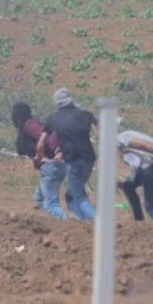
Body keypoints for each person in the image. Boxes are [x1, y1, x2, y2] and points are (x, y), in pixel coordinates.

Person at [36, 88, 98, 220]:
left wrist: (38, 157)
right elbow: (99, 133)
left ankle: (97, 221)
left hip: (73, 161)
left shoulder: (53, 118)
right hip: (89, 159)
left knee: (78, 195)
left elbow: (41, 143)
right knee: (73, 192)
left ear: (57, 102)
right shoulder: (85, 114)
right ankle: (82, 220)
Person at [11, 102, 63, 217]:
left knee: (51, 205)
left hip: (51, 165)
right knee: (39, 198)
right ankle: (55, 223)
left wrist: (57, 151)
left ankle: (65, 223)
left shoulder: (30, 125)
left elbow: (48, 137)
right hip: (49, 166)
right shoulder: (24, 128)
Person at [117, 123, 153, 222]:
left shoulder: (122, 138)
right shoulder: (125, 140)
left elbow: (149, 145)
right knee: (128, 186)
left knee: (149, 205)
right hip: (150, 166)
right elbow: (135, 164)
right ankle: (139, 220)